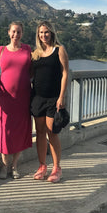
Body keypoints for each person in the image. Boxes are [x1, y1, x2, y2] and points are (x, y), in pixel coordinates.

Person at [0, 21, 32, 179]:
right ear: (8, 32)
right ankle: (4, 166)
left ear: (22, 34)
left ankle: (14, 166)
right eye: (13, 32)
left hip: (24, 97)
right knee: (5, 132)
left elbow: (34, 69)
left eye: (18, 32)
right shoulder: (1, 50)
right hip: (6, 98)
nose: (15, 35)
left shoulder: (27, 49)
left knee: (20, 131)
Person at [30, 20, 69, 183]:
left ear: (51, 33)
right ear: (38, 35)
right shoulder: (36, 53)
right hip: (37, 98)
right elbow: (30, 74)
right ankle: (42, 166)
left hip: (53, 99)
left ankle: (57, 168)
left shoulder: (59, 50)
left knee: (52, 133)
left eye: (46, 32)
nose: (43, 35)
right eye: (41, 32)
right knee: (39, 134)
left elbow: (65, 73)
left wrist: (61, 97)